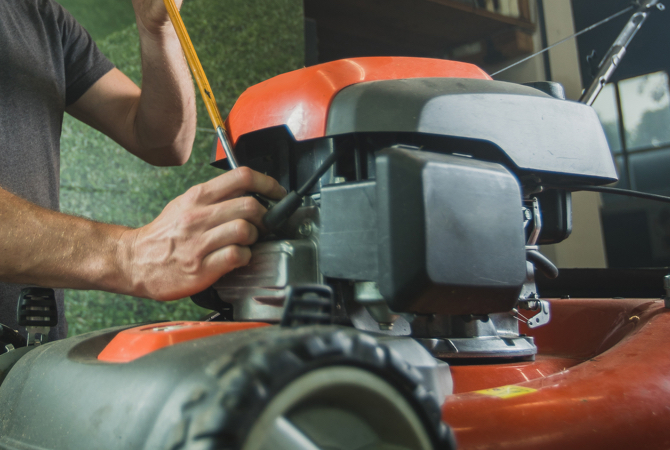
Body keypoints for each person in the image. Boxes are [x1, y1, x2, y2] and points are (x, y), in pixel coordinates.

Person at [0, 0, 285, 340]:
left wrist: (158, 29)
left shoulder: (38, 15)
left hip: (27, 351)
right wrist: (129, 254)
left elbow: (164, 141)